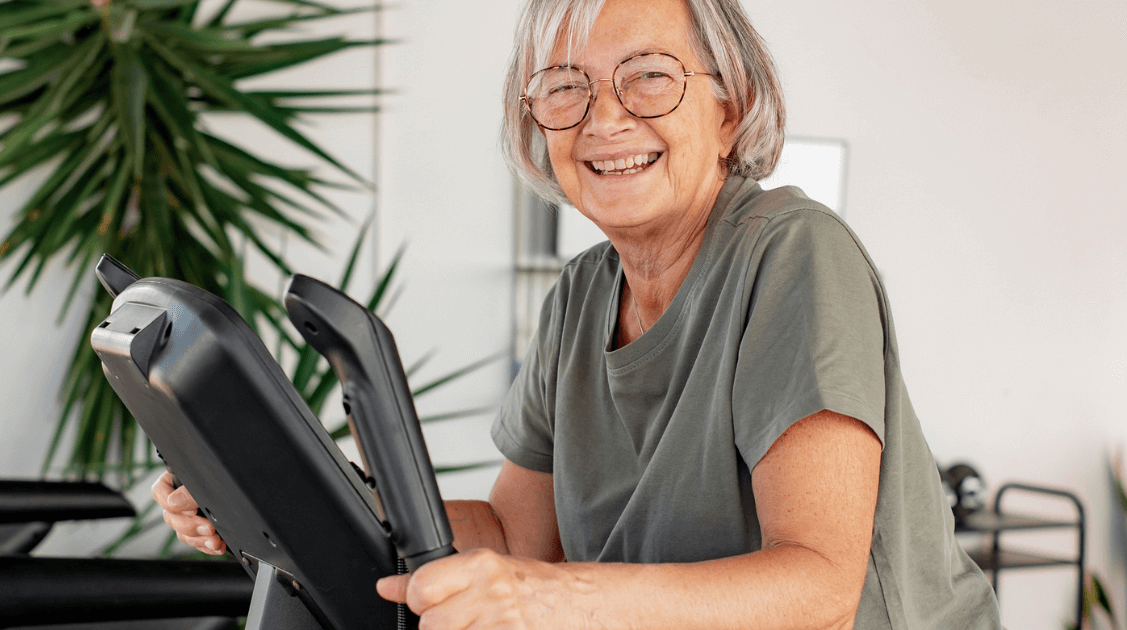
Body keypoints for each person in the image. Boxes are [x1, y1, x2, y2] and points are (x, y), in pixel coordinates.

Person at [154, 0, 1004, 627]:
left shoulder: (793, 252)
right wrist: (282, 494)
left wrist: (545, 599)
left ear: (729, 106)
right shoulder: (583, 294)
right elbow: (517, 538)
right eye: (565, 88)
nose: (605, 117)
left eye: (649, 78)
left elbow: (818, 587)